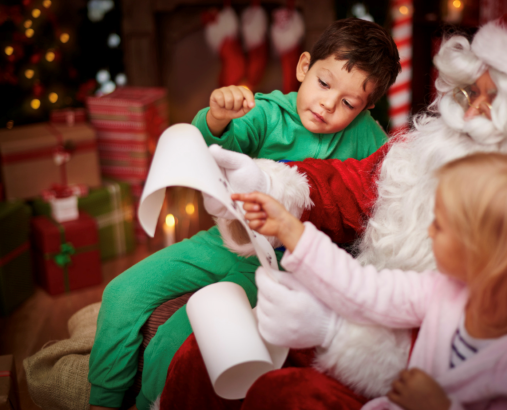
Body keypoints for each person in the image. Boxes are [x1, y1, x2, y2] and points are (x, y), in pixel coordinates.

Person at [158, 0, 507, 408]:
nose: (468, 111)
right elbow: (360, 211)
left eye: (491, 98)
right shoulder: (438, 162)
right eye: (470, 89)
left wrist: (335, 334)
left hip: (396, 372)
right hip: (355, 316)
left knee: (285, 397)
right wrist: (270, 185)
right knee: (205, 354)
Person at [88, 17, 401, 410]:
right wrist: (218, 116)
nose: (327, 104)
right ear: (304, 67)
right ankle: (102, 401)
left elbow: (382, 187)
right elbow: (208, 144)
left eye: (348, 102)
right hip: (223, 242)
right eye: (324, 84)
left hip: (277, 270)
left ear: (366, 107)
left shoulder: (367, 138)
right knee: (122, 292)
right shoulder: (268, 113)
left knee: (181, 338)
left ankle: (151, 402)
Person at [234, 151, 507, 409]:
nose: (429, 230)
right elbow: (364, 290)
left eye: (441, 224)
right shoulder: (446, 292)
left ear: (485, 251)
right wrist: (291, 230)